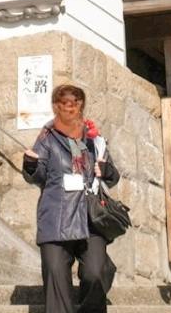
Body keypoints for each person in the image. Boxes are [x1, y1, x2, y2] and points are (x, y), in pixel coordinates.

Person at [22, 84, 121, 313]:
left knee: (96, 272)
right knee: (55, 276)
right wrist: (30, 166)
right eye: (65, 104)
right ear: (56, 107)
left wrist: (106, 171)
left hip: (90, 218)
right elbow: (39, 177)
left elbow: (113, 175)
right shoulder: (47, 137)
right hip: (56, 216)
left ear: (81, 106)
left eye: (75, 104)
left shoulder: (95, 139)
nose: (70, 108)